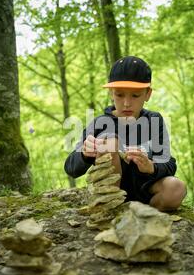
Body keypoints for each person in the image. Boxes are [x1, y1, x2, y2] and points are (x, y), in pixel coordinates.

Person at [64, 56, 186, 211]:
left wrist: (151, 167)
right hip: (109, 192)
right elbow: (71, 168)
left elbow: (169, 164)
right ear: (111, 93)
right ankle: (111, 210)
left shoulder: (154, 121)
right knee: (109, 141)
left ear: (147, 94)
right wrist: (84, 154)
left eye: (135, 95)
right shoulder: (99, 123)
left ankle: (143, 216)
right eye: (119, 95)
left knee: (176, 187)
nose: (127, 103)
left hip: (146, 192)